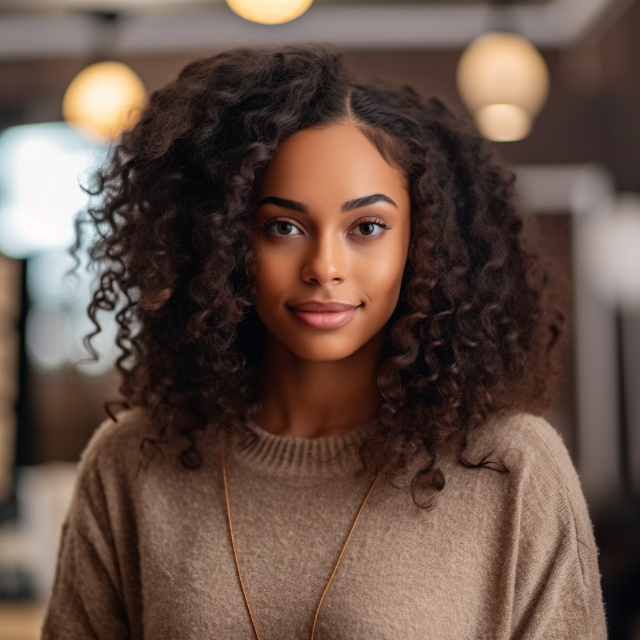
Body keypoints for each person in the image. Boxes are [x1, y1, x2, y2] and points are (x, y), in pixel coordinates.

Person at [42, 45, 607, 639]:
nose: (325, 267)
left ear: (424, 246)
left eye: (367, 227)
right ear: (224, 242)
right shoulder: (134, 462)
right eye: (283, 227)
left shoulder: (510, 470)